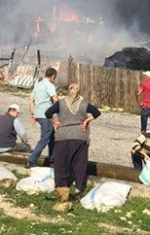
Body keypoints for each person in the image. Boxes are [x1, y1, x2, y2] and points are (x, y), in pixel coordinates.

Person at [45, 83, 101, 211]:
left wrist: (55, 122)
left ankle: (62, 187)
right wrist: (86, 121)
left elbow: (47, 112)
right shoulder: (84, 103)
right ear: (78, 91)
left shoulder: (61, 103)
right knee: (79, 163)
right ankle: (79, 189)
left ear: (67, 91)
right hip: (80, 136)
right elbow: (97, 113)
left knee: (61, 163)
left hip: (63, 136)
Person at [26, 67, 59, 168]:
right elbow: (56, 100)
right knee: (45, 138)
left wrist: (33, 114)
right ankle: (32, 161)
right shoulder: (50, 85)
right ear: (53, 76)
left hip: (38, 114)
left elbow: (31, 100)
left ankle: (53, 158)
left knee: (52, 136)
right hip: (46, 115)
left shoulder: (38, 84)